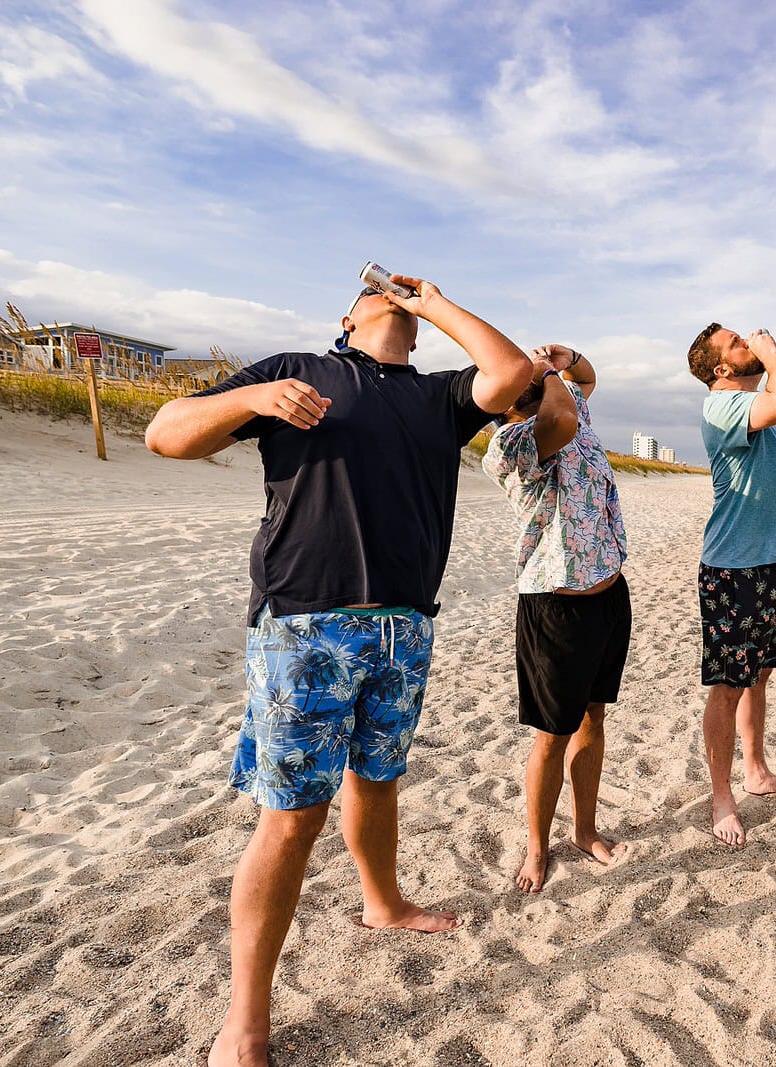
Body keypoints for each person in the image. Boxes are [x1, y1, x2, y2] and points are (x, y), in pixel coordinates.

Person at [145, 273, 529, 1067]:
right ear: (346, 319)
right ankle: (245, 1023)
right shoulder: (299, 370)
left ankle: (383, 903)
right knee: (291, 817)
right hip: (306, 620)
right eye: (376, 294)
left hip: (405, 625)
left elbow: (512, 376)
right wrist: (253, 401)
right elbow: (166, 431)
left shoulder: (439, 397)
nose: (388, 296)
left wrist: (435, 302)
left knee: (379, 779)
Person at [482, 343, 630, 894]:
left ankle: (584, 831)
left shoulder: (566, 403)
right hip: (556, 603)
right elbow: (563, 417)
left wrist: (569, 357)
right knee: (551, 733)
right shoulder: (510, 441)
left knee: (594, 717)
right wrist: (544, 372)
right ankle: (537, 846)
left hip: (610, 593)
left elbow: (587, 381)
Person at [686, 322, 776, 846]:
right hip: (733, 569)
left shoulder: (764, 406)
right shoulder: (722, 406)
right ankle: (721, 796)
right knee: (728, 684)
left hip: (768, 566)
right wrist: (773, 352)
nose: (751, 343)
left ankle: (756, 771)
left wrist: (770, 360)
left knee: (757, 676)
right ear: (720, 369)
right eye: (737, 344)